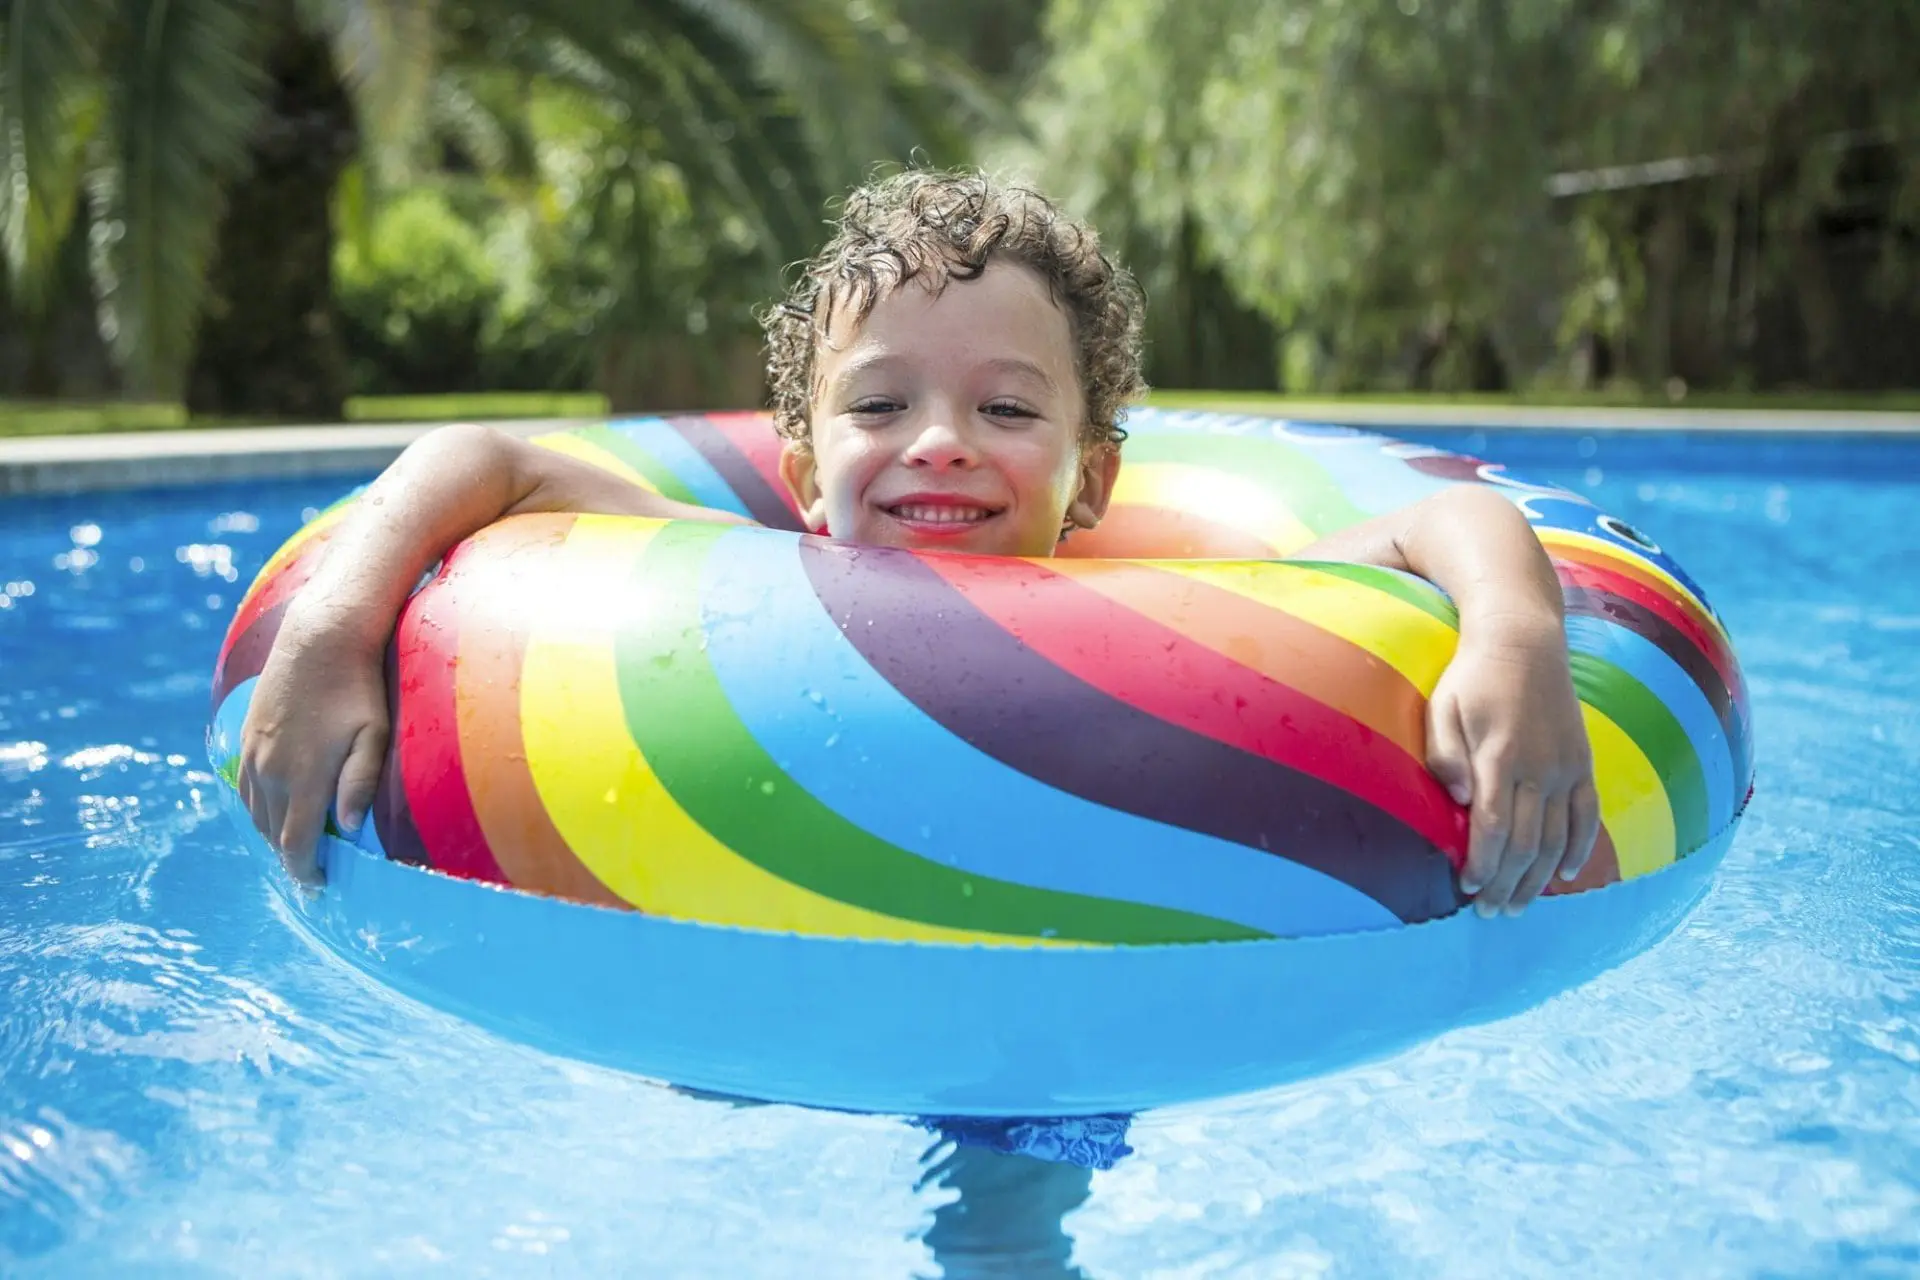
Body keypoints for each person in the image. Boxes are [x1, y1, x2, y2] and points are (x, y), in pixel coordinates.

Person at [237, 167, 1599, 917]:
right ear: (804, 475)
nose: (939, 440)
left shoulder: (1170, 604)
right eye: (880, 404)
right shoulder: (739, 584)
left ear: (1091, 478)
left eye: (1006, 407)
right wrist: (331, 629)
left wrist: (1520, 638)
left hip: (1097, 941)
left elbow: (1447, 518)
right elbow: (492, 459)